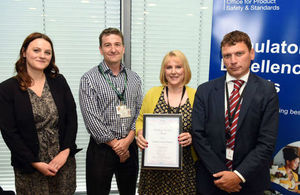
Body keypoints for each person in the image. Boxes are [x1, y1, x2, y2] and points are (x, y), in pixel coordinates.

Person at [191, 30, 279, 195]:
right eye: (227, 55)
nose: (233, 61)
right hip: (212, 181)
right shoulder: (205, 90)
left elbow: (266, 143)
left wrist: (238, 176)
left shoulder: (267, 91)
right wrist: (221, 175)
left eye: (239, 53)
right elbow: (198, 135)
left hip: (249, 182)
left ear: (251, 53)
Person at [0, 32, 80, 194]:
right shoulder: (7, 89)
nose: (42, 55)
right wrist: (35, 163)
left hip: (62, 163)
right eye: (36, 50)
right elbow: (9, 132)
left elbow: (71, 119)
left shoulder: (59, 81)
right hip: (30, 166)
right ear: (24, 52)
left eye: (47, 52)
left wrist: (65, 151)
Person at [79, 27, 142, 195]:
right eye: (107, 45)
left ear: (123, 48)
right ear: (101, 49)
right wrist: (117, 145)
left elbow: (139, 112)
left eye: (117, 44)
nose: (113, 49)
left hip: (130, 147)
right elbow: (91, 118)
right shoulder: (89, 79)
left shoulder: (134, 78)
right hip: (102, 150)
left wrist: (128, 140)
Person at [136, 50, 197, 194]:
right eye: (169, 67)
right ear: (164, 71)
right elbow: (140, 120)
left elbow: (204, 128)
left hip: (185, 169)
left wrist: (192, 137)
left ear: (185, 69)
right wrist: (140, 134)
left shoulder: (196, 95)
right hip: (154, 169)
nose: (173, 72)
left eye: (178, 67)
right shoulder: (152, 93)